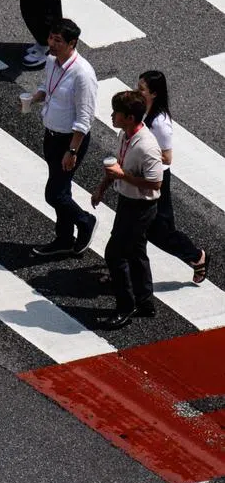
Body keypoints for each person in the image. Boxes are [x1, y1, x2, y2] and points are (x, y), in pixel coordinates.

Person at [91, 91, 164, 329]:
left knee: (115, 254)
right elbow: (120, 166)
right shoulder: (125, 134)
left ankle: (125, 306)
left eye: (116, 113)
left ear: (130, 117)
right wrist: (103, 186)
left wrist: (123, 177)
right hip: (127, 202)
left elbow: (155, 183)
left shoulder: (147, 147)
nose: (112, 116)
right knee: (136, 252)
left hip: (141, 207)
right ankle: (144, 301)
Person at [29, 18, 97, 257]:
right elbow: (48, 88)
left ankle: (85, 221)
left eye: (58, 40)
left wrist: (73, 151)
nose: (52, 44)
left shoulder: (83, 74)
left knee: (54, 194)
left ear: (72, 43)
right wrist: (35, 97)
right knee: (61, 190)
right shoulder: (51, 62)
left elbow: (85, 117)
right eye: (51, 38)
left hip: (69, 141)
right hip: (51, 135)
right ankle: (64, 238)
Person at [138, 71, 209, 282]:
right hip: (141, 175)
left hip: (156, 180)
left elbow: (167, 158)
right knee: (136, 227)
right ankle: (123, 270)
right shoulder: (143, 110)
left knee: (159, 231)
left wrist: (140, 148)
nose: (137, 92)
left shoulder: (160, 123)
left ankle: (197, 256)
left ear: (155, 93)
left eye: (142, 89)